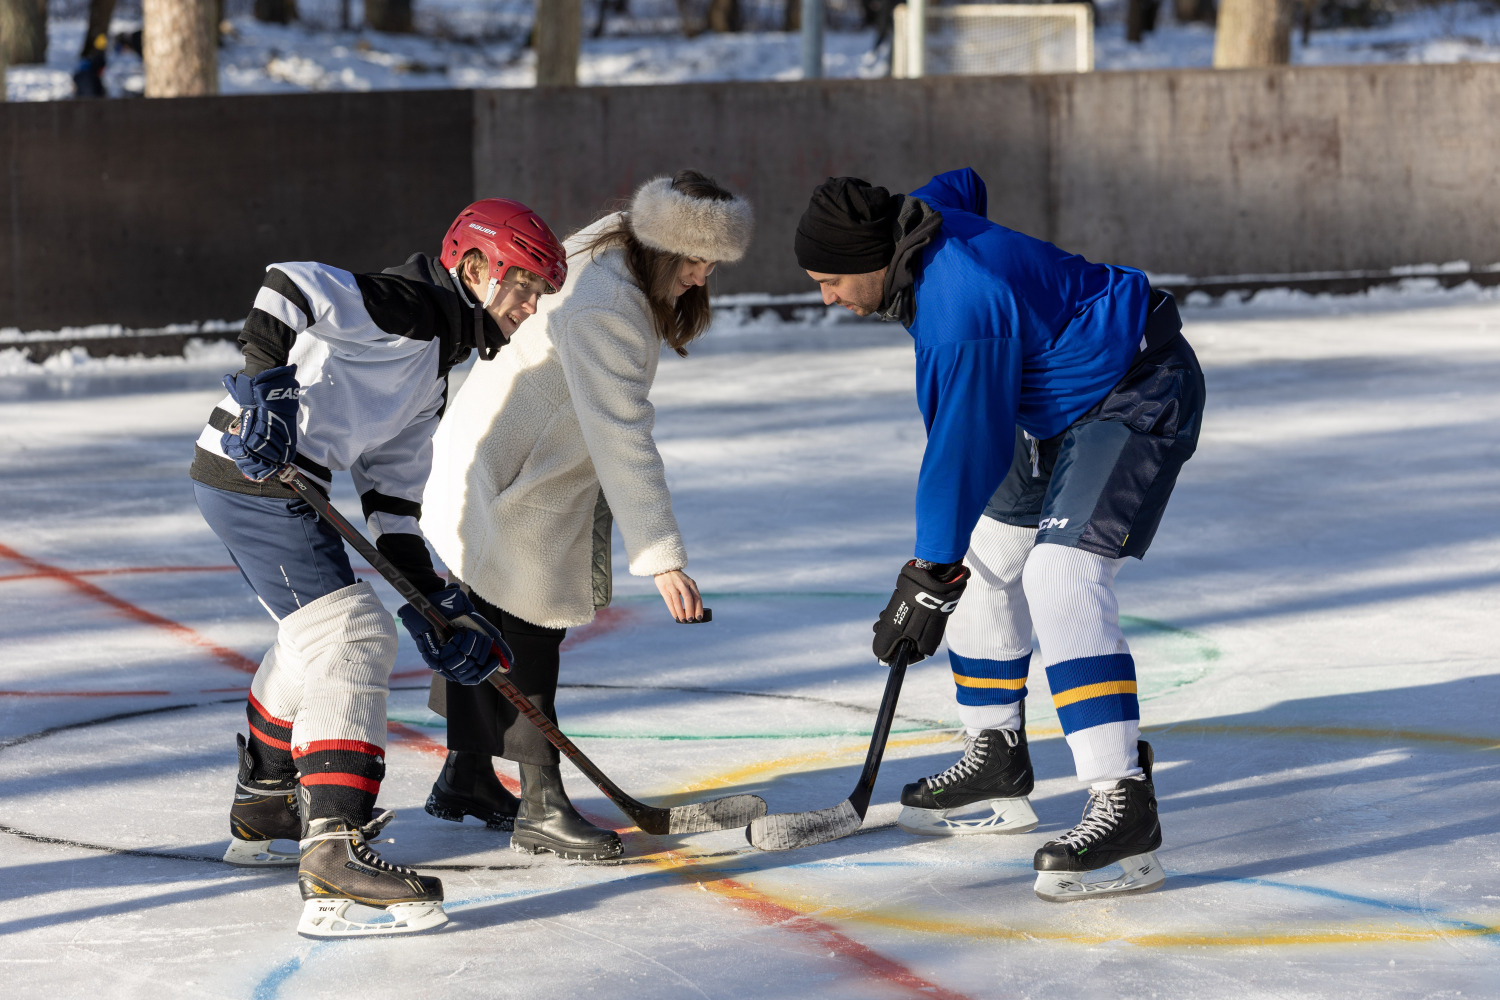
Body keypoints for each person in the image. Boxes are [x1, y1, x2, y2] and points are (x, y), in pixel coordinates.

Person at [794, 169, 1204, 901]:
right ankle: (996, 755)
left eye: (831, 281)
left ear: (875, 262)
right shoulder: (918, 225)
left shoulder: (959, 313)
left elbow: (962, 448)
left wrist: (925, 577)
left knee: (1060, 575)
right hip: (1048, 396)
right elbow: (963, 183)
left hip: (1133, 386)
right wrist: (947, 567)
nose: (826, 298)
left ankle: (1122, 801)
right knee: (988, 556)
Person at [191, 199, 567, 936]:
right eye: (522, 285)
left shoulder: (433, 368)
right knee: (352, 634)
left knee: (317, 635)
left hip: (284, 484)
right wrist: (263, 388)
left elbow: (392, 506)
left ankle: (265, 798)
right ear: (474, 266)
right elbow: (288, 285)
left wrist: (438, 606)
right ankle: (334, 853)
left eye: (539, 293)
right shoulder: (407, 304)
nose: (530, 306)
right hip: (254, 473)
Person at [420, 170, 753, 861]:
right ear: (660, 245)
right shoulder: (611, 307)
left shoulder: (610, 244)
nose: (700, 275)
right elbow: (621, 432)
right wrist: (662, 557)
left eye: (712, 262)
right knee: (527, 632)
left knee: (481, 616)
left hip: (492, 453)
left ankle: (466, 775)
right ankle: (541, 807)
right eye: (693, 260)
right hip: (514, 477)